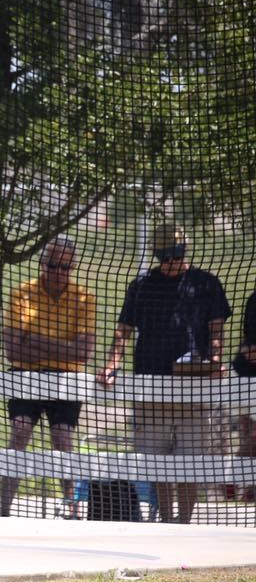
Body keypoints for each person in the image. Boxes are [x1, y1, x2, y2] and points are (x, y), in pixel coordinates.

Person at [96, 223, 231, 523]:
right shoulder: (142, 285)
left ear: (186, 250)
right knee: (156, 464)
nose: (171, 261)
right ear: (157, 255)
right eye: (165, 256)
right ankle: (166, 520)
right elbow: (123, 331)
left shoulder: (206, 284)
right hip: (150, 387)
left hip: (194, 389)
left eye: (177, 254)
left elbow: (216, 330)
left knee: (190, 464)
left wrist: (215, 360)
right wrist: (112, 363)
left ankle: (184, 523)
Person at [0, 236, 96, 519]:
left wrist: (34, 339)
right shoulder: (21, 294)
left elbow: (84, 353)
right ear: (43, 264)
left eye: (65, 268)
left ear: (72, 267)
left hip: (67, 378)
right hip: (25, 375)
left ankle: (72, 508)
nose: (58, 273)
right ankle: (4, 510)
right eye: (53, 266)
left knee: (63, 438)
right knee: (20, 430)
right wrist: (65, 347)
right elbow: (13, 349)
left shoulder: (84, 298)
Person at [232, 287, 256, 502]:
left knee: (249, 434)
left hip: (245, 379)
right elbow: (250, 349)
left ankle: (246, 485)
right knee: (251, 434)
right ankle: (232, 480)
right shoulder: (255, 300)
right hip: (247, 378)